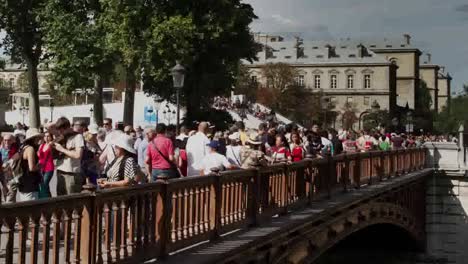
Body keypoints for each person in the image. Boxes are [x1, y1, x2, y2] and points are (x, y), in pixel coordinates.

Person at [53, 117, 85, 195]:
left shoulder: (78, 137)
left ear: (68, 127)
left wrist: (62, 149)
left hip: (71, 174)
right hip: (60, 172)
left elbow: (78, 155)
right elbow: (47, 126)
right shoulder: (61, 137)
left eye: (62, 129)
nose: (60, 132)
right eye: (59, 129)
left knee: (71, 202)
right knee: (60, 200)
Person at [18, 129, 42, 201]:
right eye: (37, 137)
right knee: (31, 208)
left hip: (23, 181)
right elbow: (32, 168)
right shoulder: (30, 149)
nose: (39, 139)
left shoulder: (23, 147)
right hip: (30, 182)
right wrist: (40, 166)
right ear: (33, 138)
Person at [37, 131, 55, 198]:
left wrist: (52, 144)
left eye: (48, 136)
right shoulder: (41, 145)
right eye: (45, 136)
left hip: (49, 168)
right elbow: (38, 155)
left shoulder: (52, 145)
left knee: (44, 184)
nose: (46, 138)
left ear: (51, 137)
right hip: (41, 167)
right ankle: (49, 199)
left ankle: (46, 200)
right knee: (43, 185)